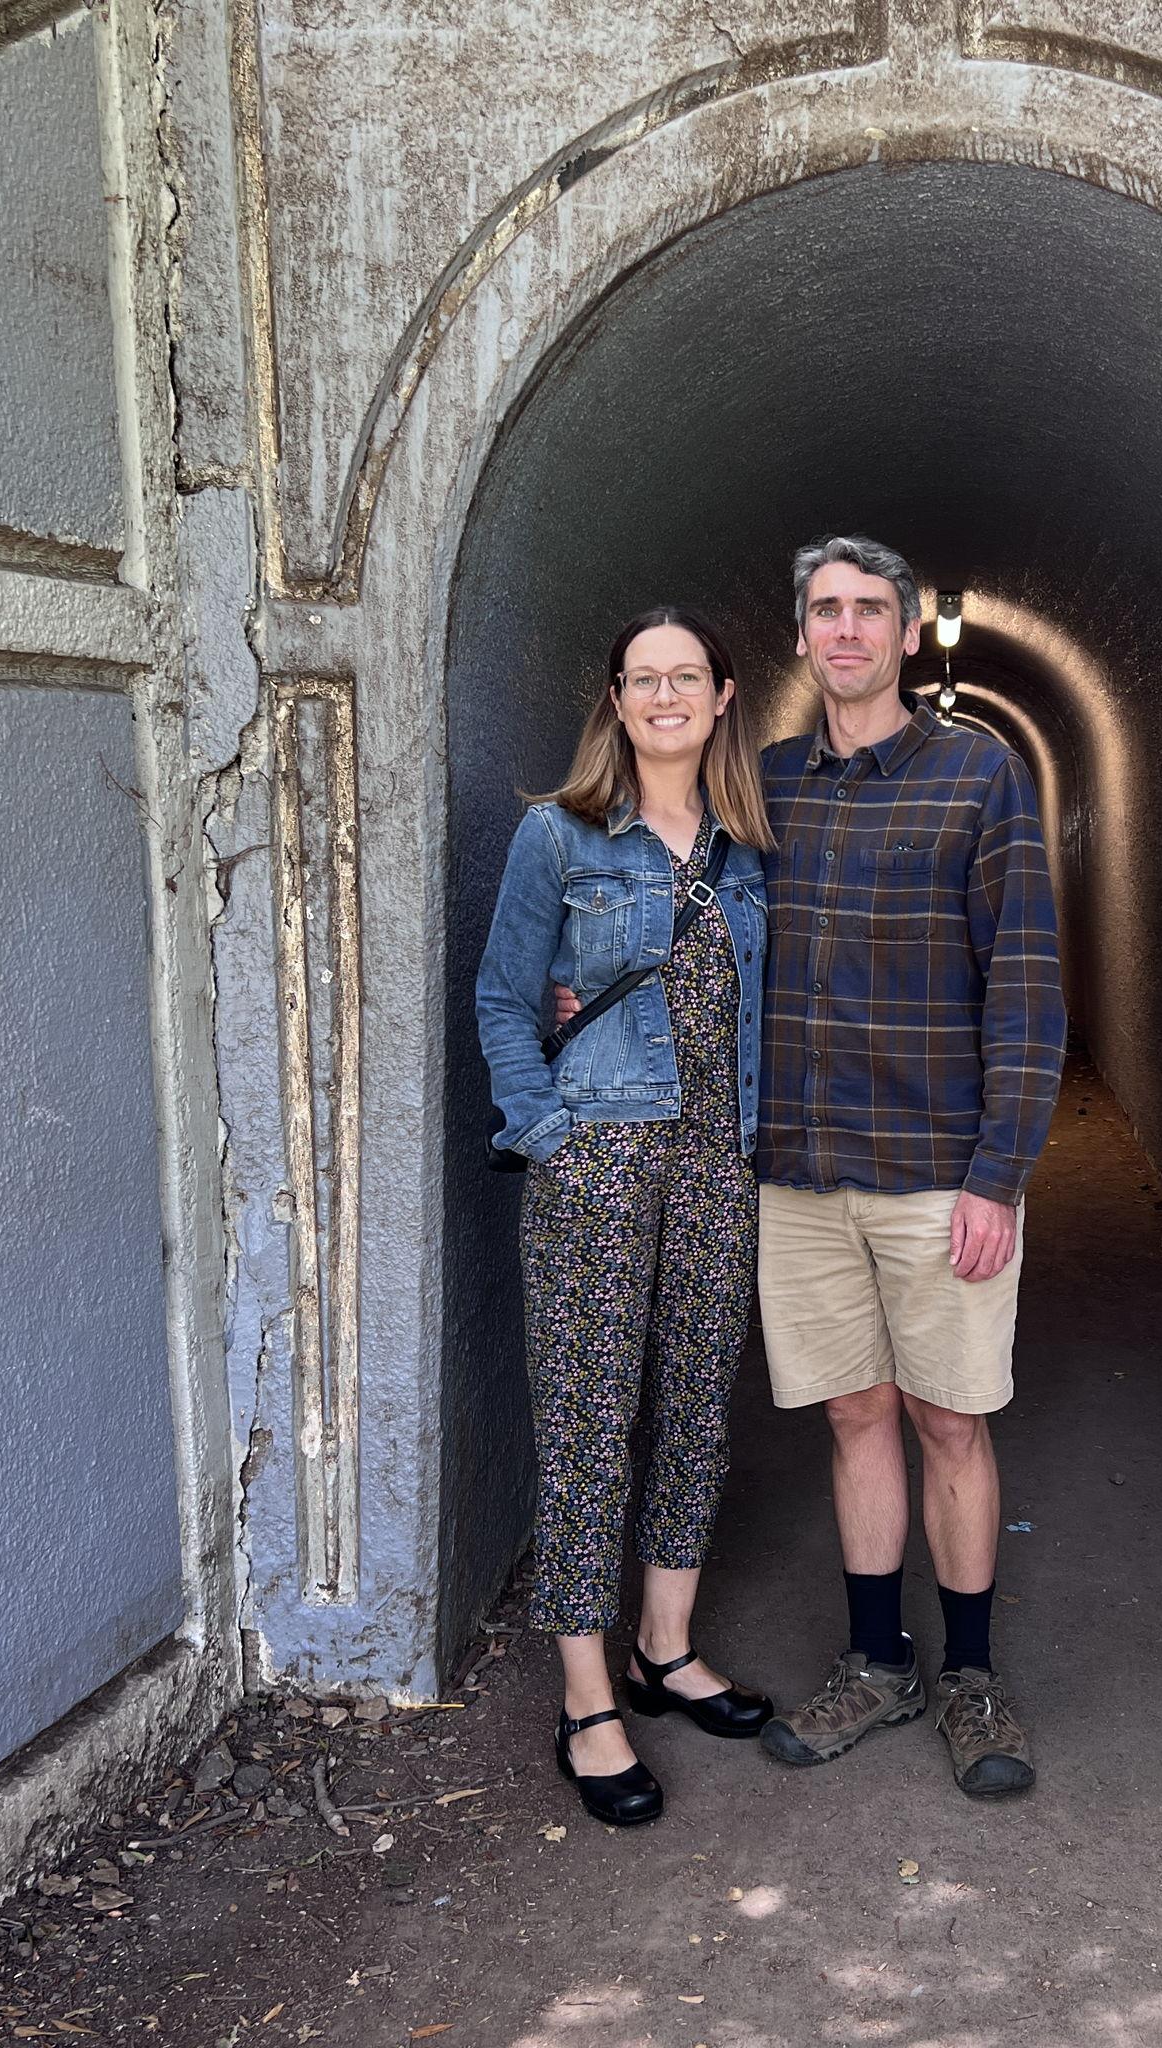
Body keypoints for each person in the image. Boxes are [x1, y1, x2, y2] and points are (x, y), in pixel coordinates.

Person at [754, 535, 1066, 1797]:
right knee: (852, 1411)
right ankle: (875, 1661)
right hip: (802, 1168)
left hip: (939, 1167)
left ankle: (972, 1677)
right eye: (823, 609)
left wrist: (1002, 1169)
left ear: (901, 631)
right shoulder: (761, 785)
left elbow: (1028, 988)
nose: (845, 630)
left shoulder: (977, 775)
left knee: (949, 1416)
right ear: (799, 637)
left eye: (866, 610)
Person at [475, 607, 775, 1828]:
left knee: (698, 1400)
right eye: (641, 678)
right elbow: (502, 1000)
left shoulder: (746, 849)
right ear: (616, 698)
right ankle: (588, 1697)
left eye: (684, 677)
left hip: (717, 1159)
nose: (663, 695)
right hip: (596, 1162)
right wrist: (550, 1138)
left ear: (720, 698)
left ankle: (666, 1642)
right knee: (593, 1413)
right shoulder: (558, 837)